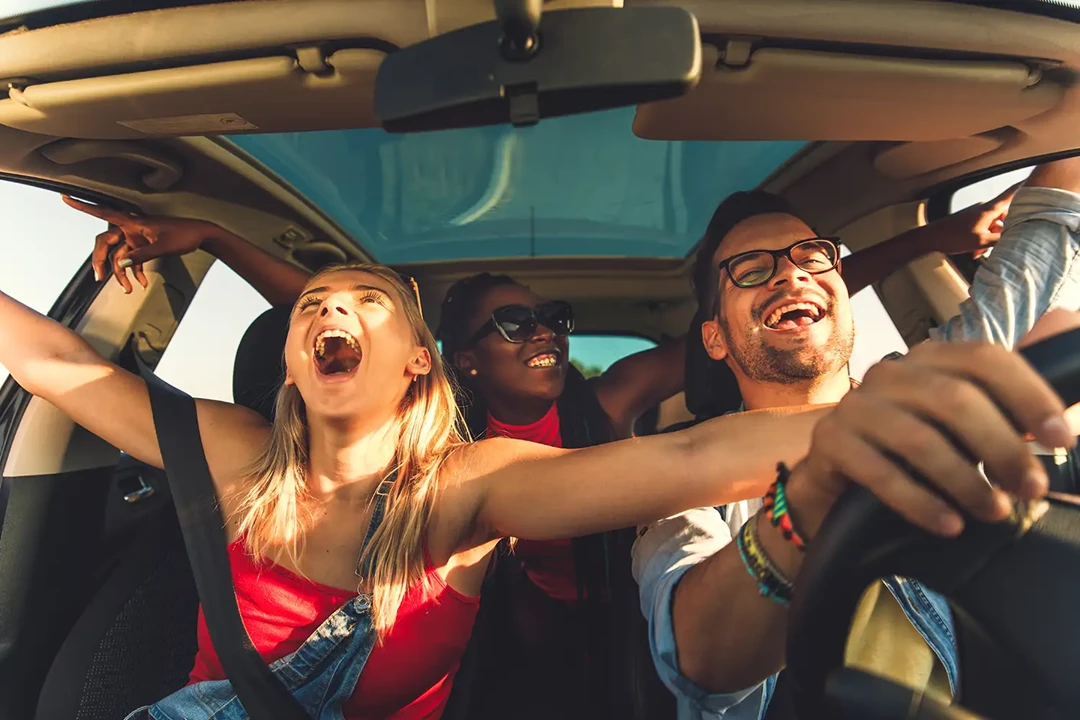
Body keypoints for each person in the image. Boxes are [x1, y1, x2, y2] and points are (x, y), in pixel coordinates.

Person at [66, 187, 1010, 718]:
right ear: (456, 360)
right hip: (489, 617)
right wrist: (221, 239)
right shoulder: (445, 435)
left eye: (551, 317)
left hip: (607, 603)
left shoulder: (612, 399)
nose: (547, 332)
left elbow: (789, 302)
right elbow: (335, 304)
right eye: (514, 322)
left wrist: (936, 237)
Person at [632, 155, 1080, 720]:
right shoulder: (677, 477)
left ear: (844, 298)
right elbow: (702, 660)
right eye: (749, 268)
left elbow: (1049, 229)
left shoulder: (935, 389)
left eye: (813, 257)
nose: (792, 275)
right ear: (715, 339)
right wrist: (809, 498)